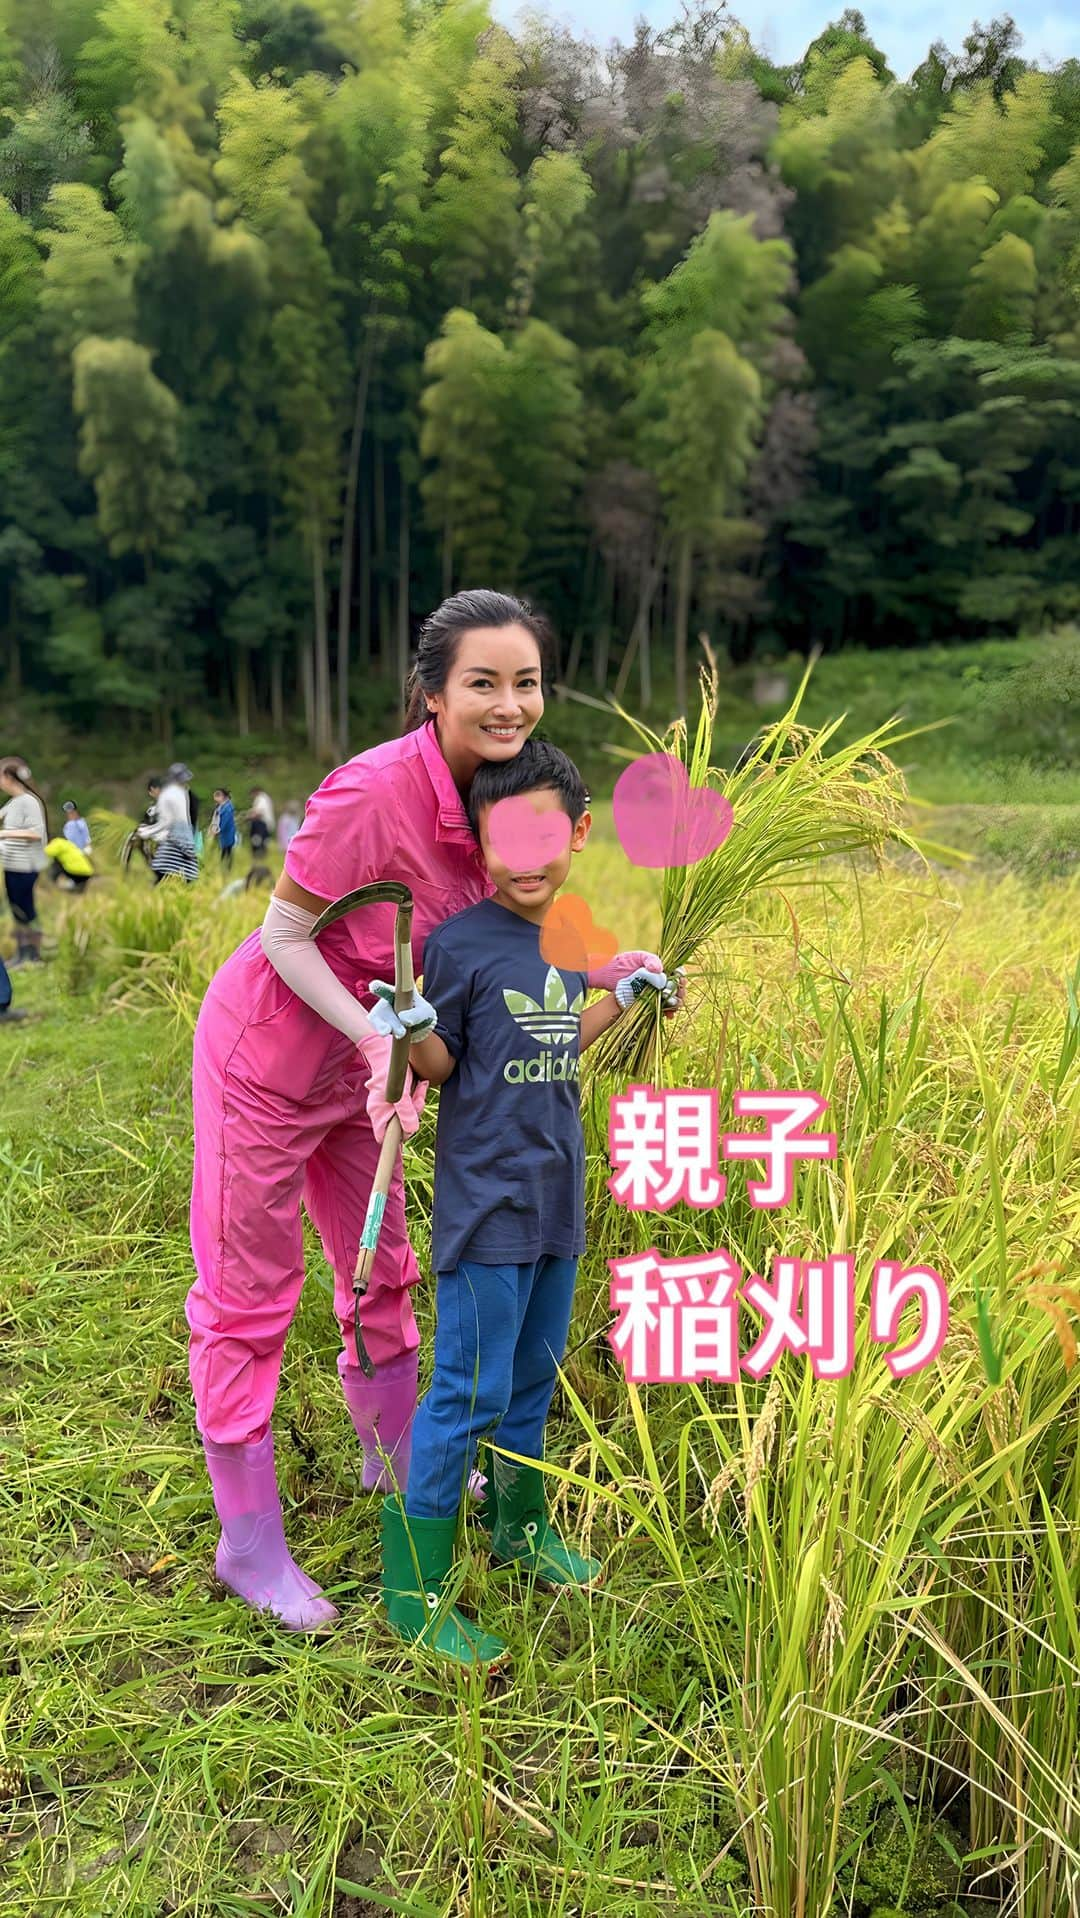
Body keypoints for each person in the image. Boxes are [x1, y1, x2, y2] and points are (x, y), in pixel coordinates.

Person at [184, 587, 663, 1635]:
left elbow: (503, 942)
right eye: (482, 682)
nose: (509, 703)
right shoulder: (369, 793)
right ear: (431, 693)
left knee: (383, 1269)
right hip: (269, 1058)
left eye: (526, 681)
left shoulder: (507, 792)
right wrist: (369, 1036)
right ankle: (249, 1539)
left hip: (386, 1074)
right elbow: (283, 936)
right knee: (252, 1292)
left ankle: (398, 1467)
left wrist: (607, 974)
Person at [379, 739, 681, 1667]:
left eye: (545, 832)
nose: (526, 855)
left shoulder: (571, 941)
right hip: (487, 1203)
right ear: (479, 844)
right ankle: (413, 1593)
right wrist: (414, 1029)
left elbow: (557, 1039)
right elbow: (449, 1065)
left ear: (579, 834)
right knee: (469, 1389)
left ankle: (520, 1532)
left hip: (557, 1193)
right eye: (504, 836)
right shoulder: (458, 942)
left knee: (534, 1381)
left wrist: (619, 999)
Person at [0, 757, 49, 965]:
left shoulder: (29, 801)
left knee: (26, 911)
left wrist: (4, 834)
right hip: (12, 865)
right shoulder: (14, 803)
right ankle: (22, 953)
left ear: (10, 777)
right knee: (17, 912)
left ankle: (33, 954)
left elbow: (37, 833)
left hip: (26, 866)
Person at [138, 762, 198, 884]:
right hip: (187, 839)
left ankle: (150, 896)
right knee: (188, 876)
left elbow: (167, 822)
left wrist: (146, 832)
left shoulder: (168, 795)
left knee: (159, 871)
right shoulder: (182, 793)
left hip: (174, 840)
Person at [47, 800, 94, 892]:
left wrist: (87, 847)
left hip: (80, 850)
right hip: (69, 851)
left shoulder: (81, 823)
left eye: (71, 812)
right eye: (68, 812)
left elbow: (86, 836)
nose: (70, 814)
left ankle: (75, 885)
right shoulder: (67, 825)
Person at [209, 788, 237, 870]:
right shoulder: (221, 806)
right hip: (224, 833)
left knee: (227, 851)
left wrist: (218, 830)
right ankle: (224, 868)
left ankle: (226, 869)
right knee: (225, 851)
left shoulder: (227, 807)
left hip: (227, 832)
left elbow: (225, 821)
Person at [246, 787, 275, 860]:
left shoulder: (262, 799)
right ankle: (260, 856)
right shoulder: (264, 798)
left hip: (262, 823)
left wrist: (248, 817)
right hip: (263, 823)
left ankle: (259, 857)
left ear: (255, 792)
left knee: (258, 840)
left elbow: (259, 813)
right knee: (260, 840)